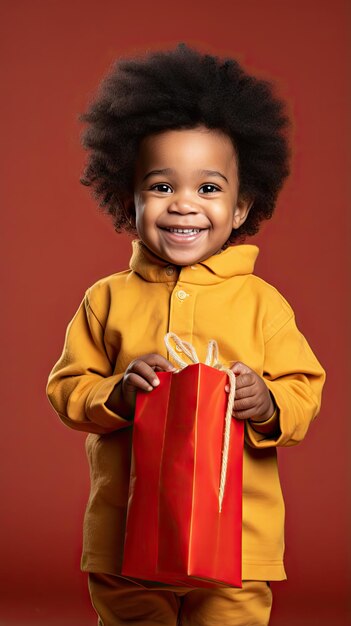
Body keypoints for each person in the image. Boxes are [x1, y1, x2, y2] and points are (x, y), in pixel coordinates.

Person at [46, 44, 325, 626]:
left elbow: (304, 390)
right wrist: (115, 394)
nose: (184, 207)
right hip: (125, 543)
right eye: (162, 186)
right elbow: (68, 389)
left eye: (208, 188)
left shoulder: (262, 303)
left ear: (242, 206)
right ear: (131, 198)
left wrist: (267, 402)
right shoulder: (106, 300)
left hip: (239, 547)